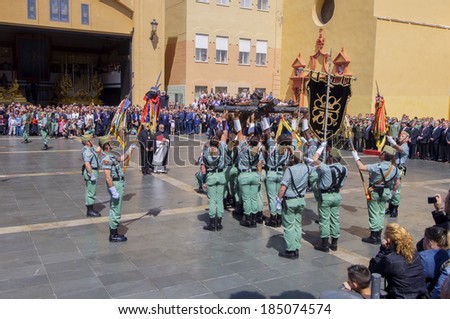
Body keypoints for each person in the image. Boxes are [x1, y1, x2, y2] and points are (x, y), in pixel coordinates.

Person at [352, 145, 400, 244]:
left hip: (374, 191)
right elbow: (397, 183)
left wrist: (356, 157)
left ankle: (374, 236)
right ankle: (378, 234)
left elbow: (361, 167)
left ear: (383, 155)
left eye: (381, 153)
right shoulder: (395, 168)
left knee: (374, 212)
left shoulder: (378, 166)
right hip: (386, 192)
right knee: (381, 212)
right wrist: (392, 193)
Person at [369, 223, 428, 299]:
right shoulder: (414, 252)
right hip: (419, 295)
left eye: (385, 236)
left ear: (388, 240)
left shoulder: (390, 260)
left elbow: (373, 270)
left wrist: (383, 250)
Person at [276, 149, 315, 259]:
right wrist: (310, 160)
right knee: (297, 224)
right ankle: (297, 247)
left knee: (289, 226)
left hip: (290, 200)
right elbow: (317, 166)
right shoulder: (308, 168)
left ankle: (290, 250)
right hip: (301, 199)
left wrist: (278, 200)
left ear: (293, 158)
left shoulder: (290, 170)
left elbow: (283, 188)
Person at [98, 135, 136, 242]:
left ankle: (114, 231)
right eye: (109, 143)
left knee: (116, 207)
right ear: (106, 145)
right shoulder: (106, 158)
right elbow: (107, 177)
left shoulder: (110, 156)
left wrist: (130, 149)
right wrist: (113, 190)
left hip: (118, 182)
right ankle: (113, 235)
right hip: (114, 184)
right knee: (116, 208)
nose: (111, 144)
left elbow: (122, 158)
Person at [312, 145, 348, 252]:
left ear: (331, 158)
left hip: (325, 196)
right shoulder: (344, 169)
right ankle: (334, 243)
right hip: (337, 195)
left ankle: (324, 244)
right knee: (335, 219)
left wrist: (321, 147)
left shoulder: (326, 168)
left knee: (324, 220)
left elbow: (314, 159)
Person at [201, 131, 228, 231]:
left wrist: (203, 181)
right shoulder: (222, 149)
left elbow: (203, 168)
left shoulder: (206, 151)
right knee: (219, 199)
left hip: (211, 175)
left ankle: (212, 223)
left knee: (212, 200)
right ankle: (219, 223)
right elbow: (224, 136)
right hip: (220, 175)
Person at [264, 133, 292, 228]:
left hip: (272, 173)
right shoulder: (287, 151)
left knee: (272, 197)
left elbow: (267, 134)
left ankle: (273, 218)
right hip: (281, 173)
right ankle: (279, 217)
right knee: (279, 197)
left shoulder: (272, 147)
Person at [385, 130, 410, 217]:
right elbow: (390, 152)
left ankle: (395, 209)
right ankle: (390, 207)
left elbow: (399, 149)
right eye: (400, 136)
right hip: (392, 168)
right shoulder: (398, 145)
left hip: (399, 169)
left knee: (396, 188)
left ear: (407, 139)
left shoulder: (405, 146)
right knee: (390, 187)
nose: (400, 137)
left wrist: (392, 141)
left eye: (403, 136)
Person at [419, 226, 450, 295]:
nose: (422, 241)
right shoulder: (447, 255)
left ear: (431, 243)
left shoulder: (424, 258)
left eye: (424, 239)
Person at [81, 134, 101, 218]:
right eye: (91, 140)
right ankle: (90, 210)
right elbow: (87, 163)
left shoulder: (90, 149)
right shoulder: (87, 151)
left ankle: (90, 208)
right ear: (87, 142)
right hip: (91, 170)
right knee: (91, 191)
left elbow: (95, 156)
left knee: (90, 189)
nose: (93, 141)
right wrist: (91, 174)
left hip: (93, 170)